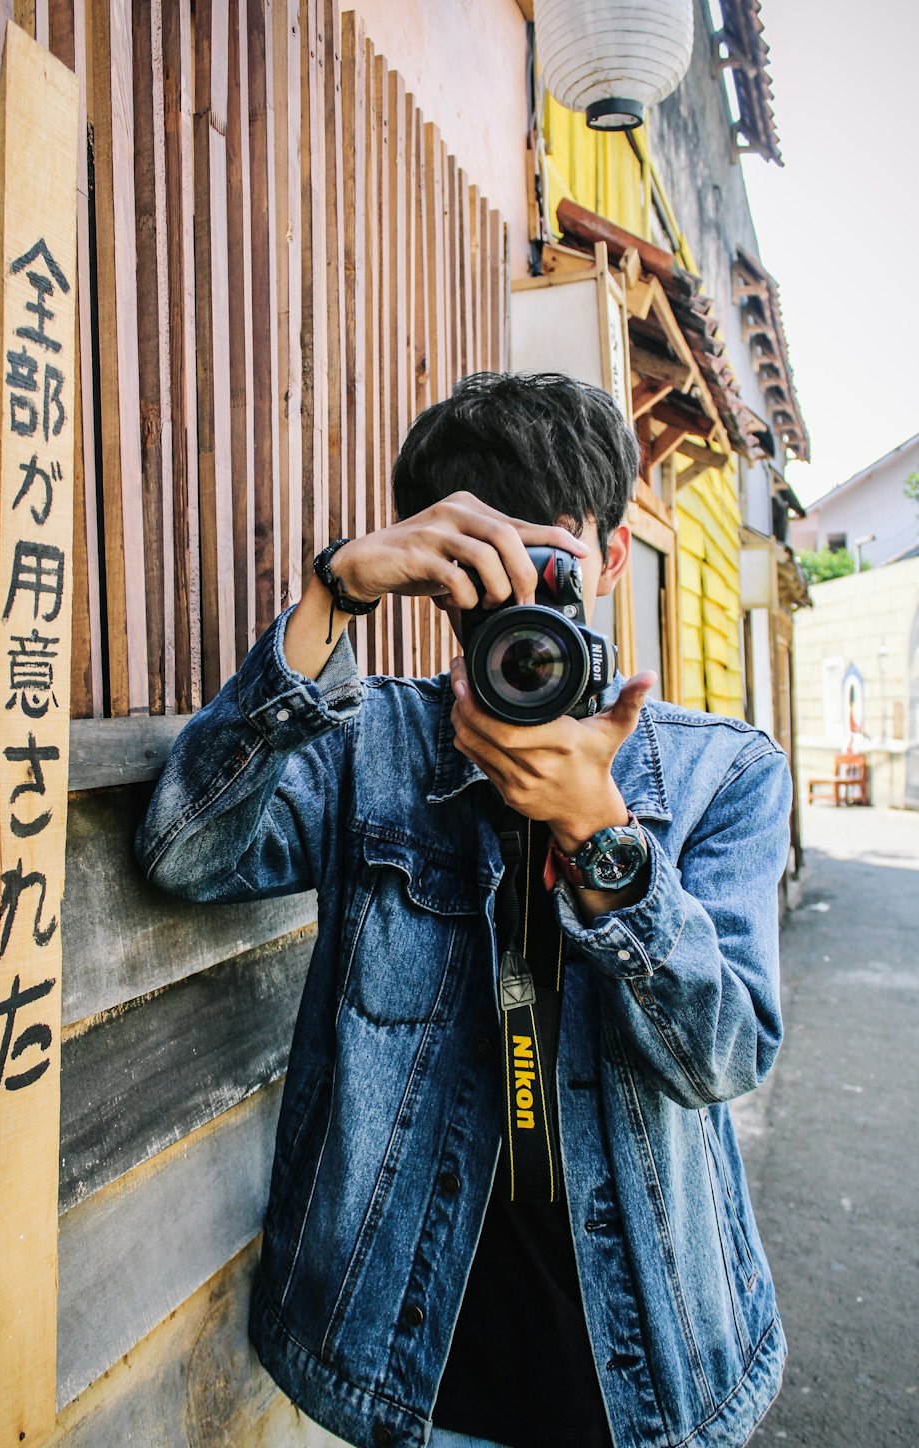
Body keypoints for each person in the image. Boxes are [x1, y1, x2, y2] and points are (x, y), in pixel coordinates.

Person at [136, 372, 791, 1448]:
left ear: (614, 555)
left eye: (551, 571)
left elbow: (723, 1055)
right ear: (436, 580)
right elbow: (183, 850)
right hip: (403, 1353)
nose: (522, 616)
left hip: (650, 1362)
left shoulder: (723, 772)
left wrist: (602, 836)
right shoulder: (372, 747)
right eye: (481, 577)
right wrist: (330, 595)